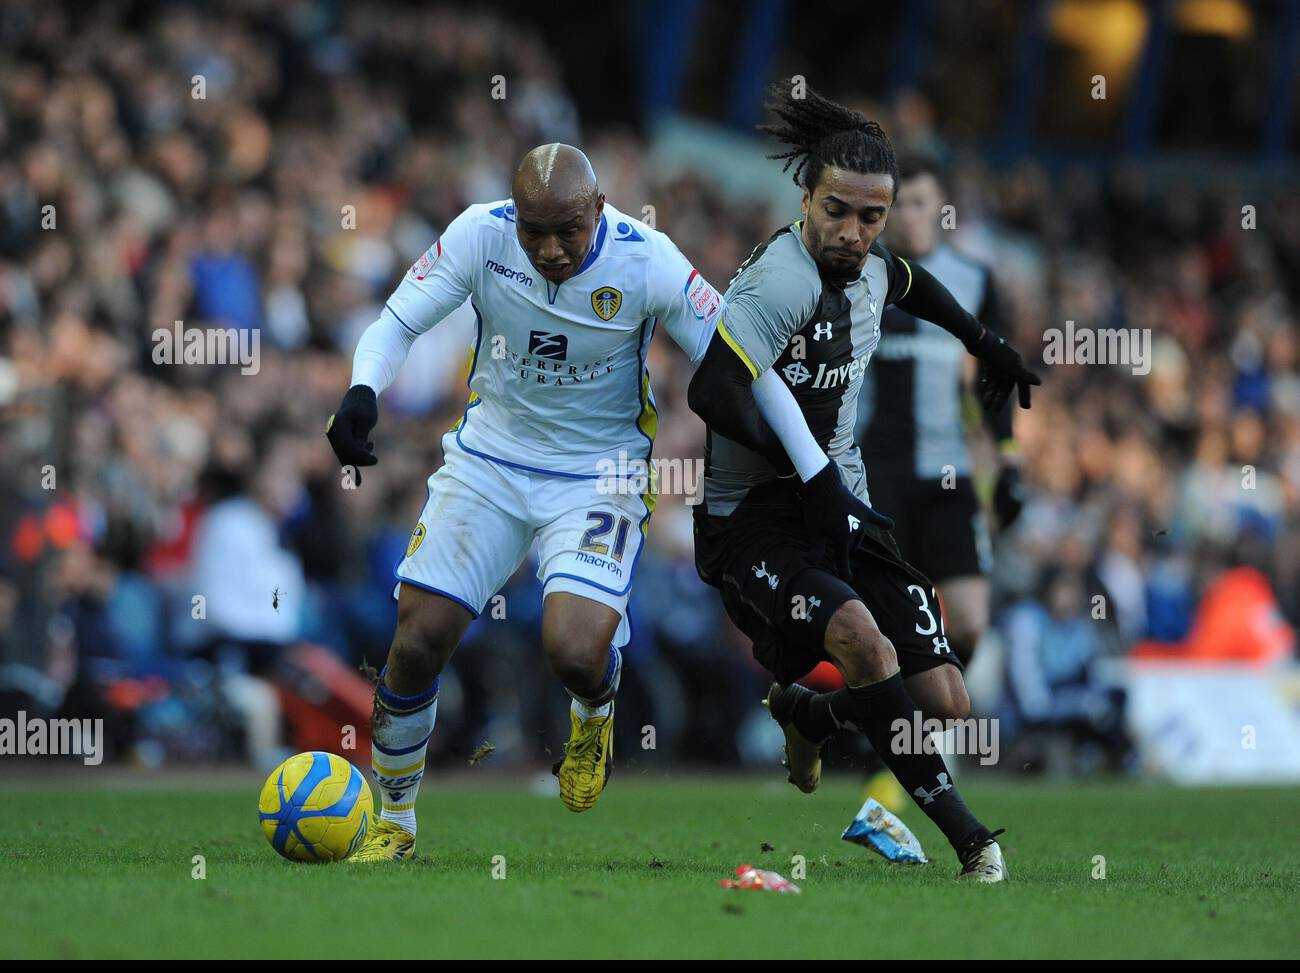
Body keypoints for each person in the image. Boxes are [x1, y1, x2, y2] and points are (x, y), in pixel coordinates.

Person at [324, 143, 813, 861]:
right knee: (418, 637)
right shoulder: (479, 234)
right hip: (489, 460)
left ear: (599, 211)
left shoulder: (648, 260)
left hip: (599, 473)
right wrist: (363, 389)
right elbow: (396, 322)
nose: (550, 249)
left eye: (568, 232)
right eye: (535, 232)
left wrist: (816, 472)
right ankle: (394, 823)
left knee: (576, 651)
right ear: (513, 217)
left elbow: (742, 359)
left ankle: (594, 711)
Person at [687, 85, 1040, 880]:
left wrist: (989, 344)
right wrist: (796, 465)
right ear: (805, 197)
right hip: (757, 515)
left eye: (870, 218)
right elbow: (710, 391)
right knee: (858, 638)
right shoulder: (778, 282)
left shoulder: (875, 265)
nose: (852, 233)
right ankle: (969, 836)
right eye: (837, 212)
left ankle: (813, 714)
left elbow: (914, 283)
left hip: (842, 498)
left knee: (948, 699)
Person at [859, 150, 1023, 663]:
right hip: (879, 471)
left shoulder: (974, 279)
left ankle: (929, 721)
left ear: (941, 207)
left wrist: (1008, 456)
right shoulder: (861, 277)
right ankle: (896, 731)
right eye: (897, 205)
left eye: (919, 203)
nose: (908, 215)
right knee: (888, 627)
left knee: (971, 625)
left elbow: (994, 377)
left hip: (949, 469)